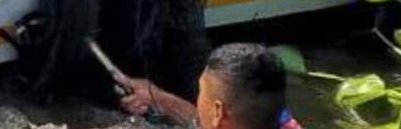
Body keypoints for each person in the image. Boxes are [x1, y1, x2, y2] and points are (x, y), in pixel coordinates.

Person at [117, 43, 303, 128]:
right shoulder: (280, 120)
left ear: (218, 112)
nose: (198, 100)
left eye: (201, 92)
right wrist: (160, 98)